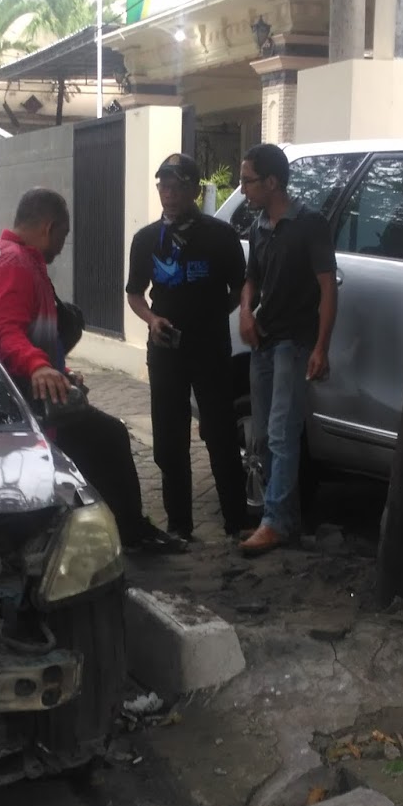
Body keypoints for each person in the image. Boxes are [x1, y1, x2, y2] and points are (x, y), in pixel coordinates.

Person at [0, 187, 186, 555]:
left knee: (98, 446)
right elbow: (3, 331)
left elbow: (27, 331)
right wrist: (39, 367)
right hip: (25, 401)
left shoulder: (8, 257)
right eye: (63, 236)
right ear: (49, 227)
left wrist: (60, 370)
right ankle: (124, 535)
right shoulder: (14, 264)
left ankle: (108, 534)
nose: (61, 246)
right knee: (109, 439)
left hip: (33, 394)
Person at [126, 153, 251, 540]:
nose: (169, 192)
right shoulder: (146, 239)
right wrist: (152, 320)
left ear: (195, 189)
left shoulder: (219, 234)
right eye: (163, 184)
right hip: (165, 351)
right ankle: (179, 525)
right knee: (169, 438)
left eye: (178, 185)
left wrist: (219, 313)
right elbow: (134, 294)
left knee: (220, 432)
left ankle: (236, 522)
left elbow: (241, 285)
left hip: (211, 348)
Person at [236, 143, 337, 557]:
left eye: (248, 181)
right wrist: (246, 312)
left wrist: (321, 346)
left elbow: (328, 287)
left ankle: (275, 521)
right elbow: (251, 280)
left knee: (281, 431)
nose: (243, 189)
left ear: (272, 182)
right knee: (262, 435)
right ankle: (284, 519)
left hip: (294, 342)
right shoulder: (260, 224)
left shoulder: (309, 223)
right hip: (263, 339)